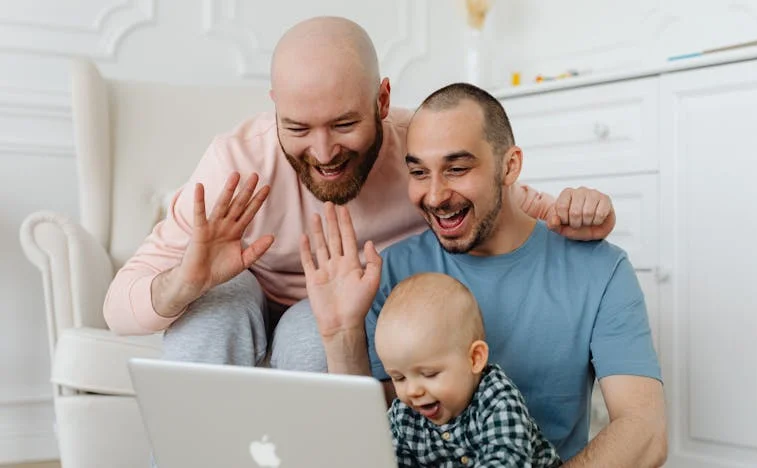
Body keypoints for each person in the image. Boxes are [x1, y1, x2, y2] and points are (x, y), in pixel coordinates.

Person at [103, 17, 616, 374]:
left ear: (383, 100)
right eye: (298, 127)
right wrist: (184, 282)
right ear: (275, 107)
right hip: (246, 292)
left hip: (347, 307)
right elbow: (118, 309)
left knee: (313, 332)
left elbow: (511, 206)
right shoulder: (235, 162)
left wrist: (580, 211)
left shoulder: (421, 146)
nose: (323, 152)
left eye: (345, 123)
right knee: (212, 309)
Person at [299, 83, 667, 466]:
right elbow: (370, 443)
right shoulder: (387, 275)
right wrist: (341, 332)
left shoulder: (600, 269)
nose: (436, 195)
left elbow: (645, 432)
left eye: (457, 169)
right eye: (420, 172)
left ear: (510, 166)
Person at [377, 272, 561, 467]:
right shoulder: (403, 416)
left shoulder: (498, 399)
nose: (412, 390)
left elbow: (505, 460)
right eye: (399, 378)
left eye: (429, 374)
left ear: (474, 358)